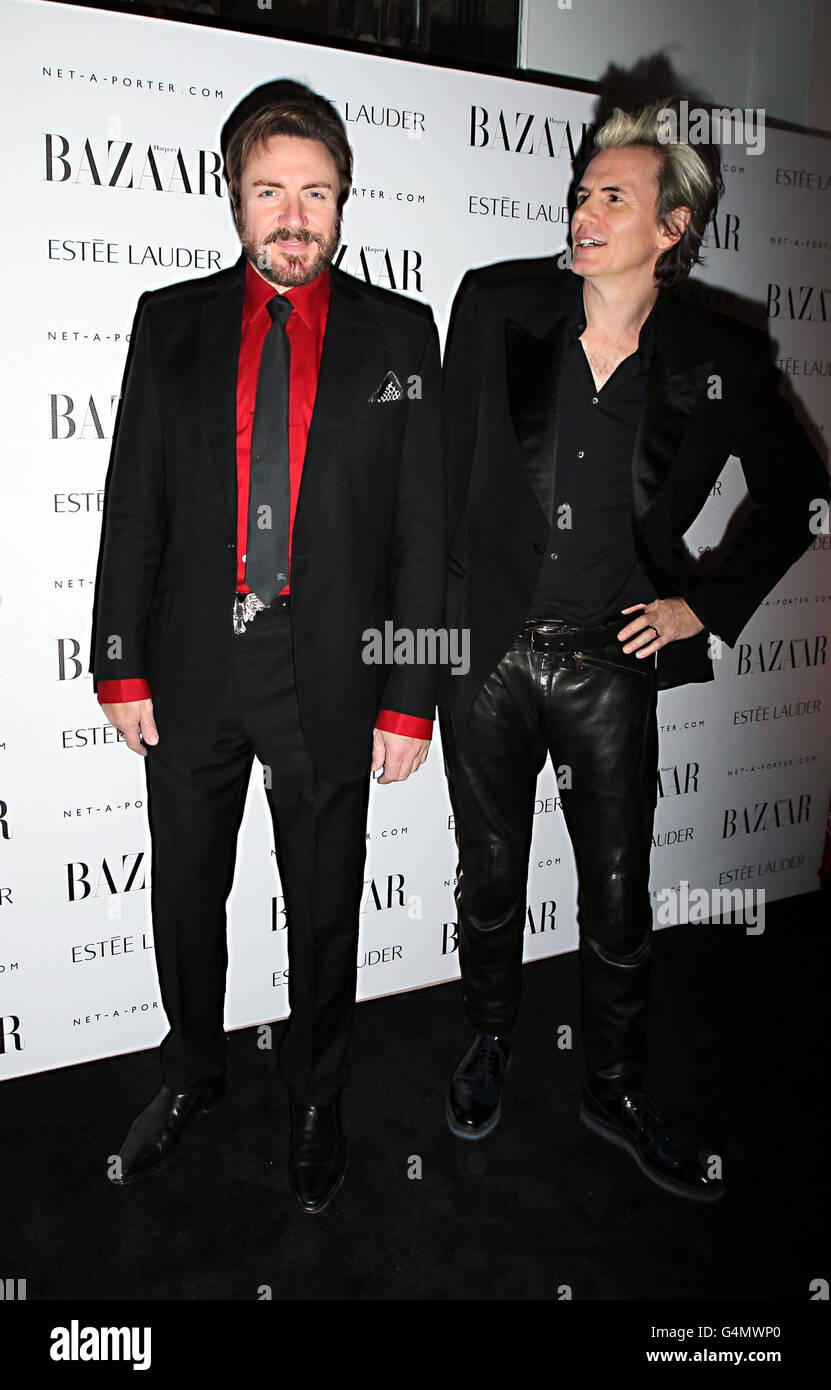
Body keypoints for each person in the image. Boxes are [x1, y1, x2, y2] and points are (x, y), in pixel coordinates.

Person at [438, 99, 829, 1201]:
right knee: (490, 879)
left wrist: (701, 605)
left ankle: (612, 1085)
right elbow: (431, 487)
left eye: (614, 194)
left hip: (611, 663)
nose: (584, 207)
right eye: (581, 189)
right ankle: (490, 1040)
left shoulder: (721, 353)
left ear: (672, 226)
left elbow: (802, 495)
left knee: (617, 899)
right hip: (491, 656)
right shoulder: (497, 307)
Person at [91, 79, 444, 1213]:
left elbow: (421, 530)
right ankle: (192, 1071)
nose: (295, 216)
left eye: (317, 194)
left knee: (325, 899)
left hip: (332, 674)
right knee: (188, 896)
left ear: (343, 201)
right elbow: (132, 504)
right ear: (235, 200)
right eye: (270, 192)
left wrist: (409, 695)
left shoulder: (401, 335)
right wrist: (117, 658)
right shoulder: (170, 321)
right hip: (193, 668)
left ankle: (313, 1095)